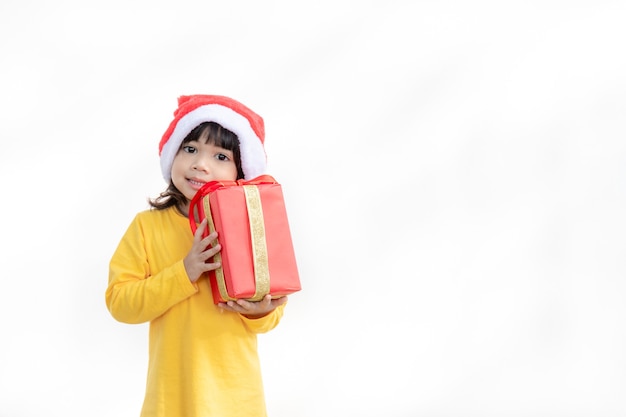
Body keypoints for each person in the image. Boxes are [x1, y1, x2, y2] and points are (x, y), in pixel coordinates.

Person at [106, 94, 288, 417]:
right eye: (190, 149)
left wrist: (260, 311)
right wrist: (184, 272)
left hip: (236, 401)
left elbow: (270, 314)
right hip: (172, 401)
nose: (200, 164)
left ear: (240, 172)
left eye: (220, 156)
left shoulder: (248, 227)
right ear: (172, 155)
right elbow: (120, 302)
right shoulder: (147, 227)